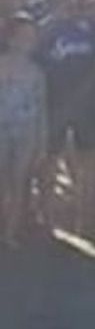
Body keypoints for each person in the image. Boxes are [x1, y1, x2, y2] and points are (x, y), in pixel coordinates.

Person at [34, 0, 95, 233]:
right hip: (52, 93)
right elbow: (31, 41)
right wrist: (57, 17)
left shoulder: (85, 12)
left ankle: (84, 216)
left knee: (88, 158)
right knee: (49, 157)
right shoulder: (37, 9)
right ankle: (46, 215)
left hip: (86, 93)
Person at [0, 14, 45, 246]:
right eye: (22, 36)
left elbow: (41, 109)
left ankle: (10, 232)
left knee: (19, 181)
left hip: (26, 130)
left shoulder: (36, 72)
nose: (27, 41)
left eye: (31, 37)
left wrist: (41, 141)